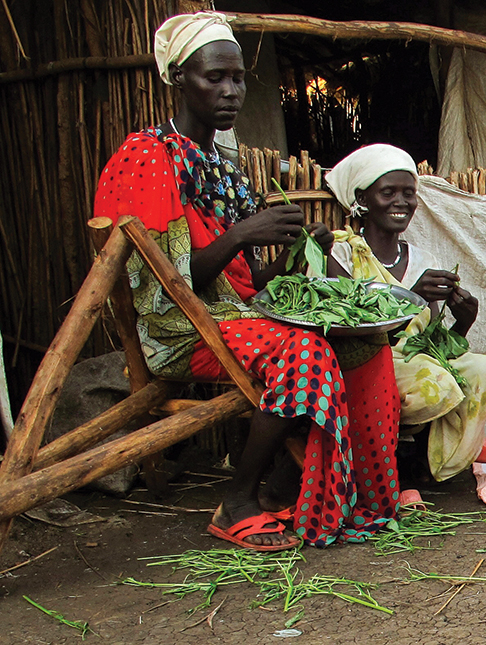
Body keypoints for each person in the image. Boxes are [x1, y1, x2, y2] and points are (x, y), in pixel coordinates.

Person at [93, 12, 401, 550]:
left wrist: (295, 251)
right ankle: (238, 499)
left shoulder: (218, 163)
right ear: (177, 79)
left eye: (237, 78)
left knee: (367, 343)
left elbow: (245, 283)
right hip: (184, 332)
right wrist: (242, 233)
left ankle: (354, 495)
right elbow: (167, 287)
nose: (232, 91)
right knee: (306, 351)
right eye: (215, 77)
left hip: (238, 319)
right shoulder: (147, 157)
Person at [324, 144, 486, 482]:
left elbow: (431, 343)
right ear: (363, 201)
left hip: (418, 361)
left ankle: (427, 465)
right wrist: (409, 297)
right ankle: (404, 469)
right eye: (388, 192)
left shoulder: (423, 259)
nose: (402, 202)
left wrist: (463, 320)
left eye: (409, 193)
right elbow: (345, 327)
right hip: (365, 361)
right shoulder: (342, 255)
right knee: (435, 382)